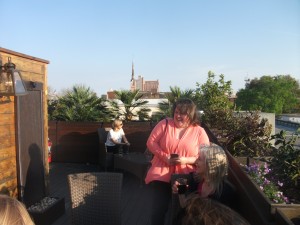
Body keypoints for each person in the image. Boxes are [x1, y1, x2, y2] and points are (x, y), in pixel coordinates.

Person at [145, 98, 210, 225]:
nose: (178, 116)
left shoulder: (199, 131)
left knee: (182, 208)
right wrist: (164, 157)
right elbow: (150, 143)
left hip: (184, 177)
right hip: (161, 174)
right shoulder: (164, 124)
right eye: (176, 112)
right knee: (158, 209)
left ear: (191, 114)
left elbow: (205, 155)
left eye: (183, 113)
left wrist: (185, 160)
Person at [172, 144, 237, 224]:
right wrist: (180, 191)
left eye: (200, 159)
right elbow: (184, 206)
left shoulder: (225, 191)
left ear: (210, 164)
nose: (196, 162)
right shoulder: (195, 180)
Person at [180, 196, 250, 225]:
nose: (197, 163)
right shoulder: (197, 181)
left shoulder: (222, 192)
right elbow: (185, 206)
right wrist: (180, 192)